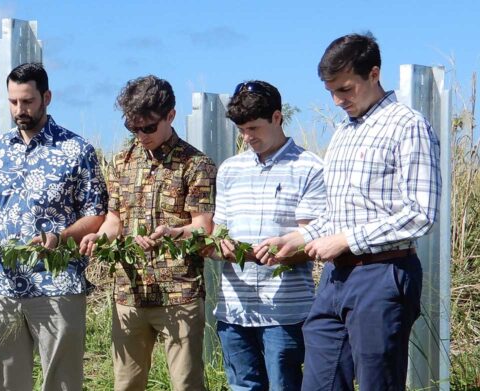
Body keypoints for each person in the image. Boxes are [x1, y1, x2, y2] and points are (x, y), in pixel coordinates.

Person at [257, 33, 440, 390]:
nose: (338, 100)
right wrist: (298, 237)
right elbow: (339, 213)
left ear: (374, 74)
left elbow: (421, 213)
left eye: (345, 89)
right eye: (331, 92)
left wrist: (346, 239)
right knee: (319, 381)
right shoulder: (343, 132)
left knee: (377, 383)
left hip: (383, 273)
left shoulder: (407, 125)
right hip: (335, 279)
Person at [0, 62, 107, 391]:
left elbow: (97, 214)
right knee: (4, 382)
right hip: (2, 285)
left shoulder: (77, 150)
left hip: (58, 285)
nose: (20, 109)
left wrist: (60, 237)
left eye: (28, 101)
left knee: (62, 382)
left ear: (47, 97)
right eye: (14, 101)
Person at [79, 75, 215, 391]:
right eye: (133, 128)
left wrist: (173, 232)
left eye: (148, 127)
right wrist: (99, 238)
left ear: (171, 116)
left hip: (179, 294)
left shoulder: (196, 164)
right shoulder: (121, 162)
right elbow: (114, 220)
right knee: (126, 384)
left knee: (186, 384)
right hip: (129, 293)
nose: (141, 135)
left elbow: (203, 227)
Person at [209, 80, 326, 390]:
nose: (247, 137)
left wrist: (283, 252)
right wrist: (219, 245)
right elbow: (218, 231)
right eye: (241, 130)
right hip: (234, 309)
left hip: (285, 313)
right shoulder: (230, 170)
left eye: (254, 128)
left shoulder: (310, 167)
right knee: (242, 386)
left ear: (277, 117)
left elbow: (313, 240)